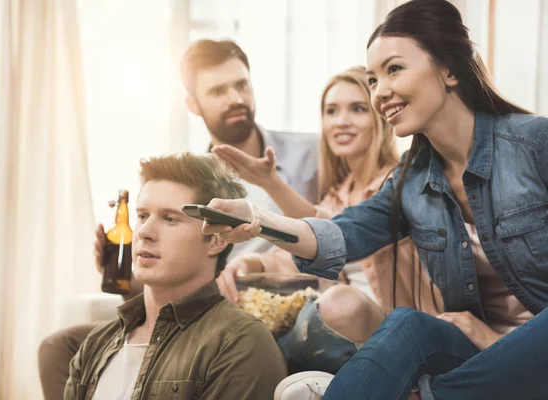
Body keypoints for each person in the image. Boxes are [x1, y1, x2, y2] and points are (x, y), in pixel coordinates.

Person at [203, 1, 548, 399]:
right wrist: (257, 217)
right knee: (407, 325)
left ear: (450, 69)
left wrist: (493, 341)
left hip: (526, 346)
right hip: (476, 356)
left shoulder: (533, 144)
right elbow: (340, 234)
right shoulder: (410, 183)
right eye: (372, 79)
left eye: (394, 69)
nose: (380, 92)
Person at [38, 39, 318, 400]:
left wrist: (258, 261)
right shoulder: (191, 181)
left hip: (277, 305)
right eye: (218, 90)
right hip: (204, 294)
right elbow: (181, 272)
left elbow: (334, 235)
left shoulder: (312, 156)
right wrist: (124, 270)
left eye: (241, 85)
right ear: (192, 103)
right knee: (62, 346)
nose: (235, 98)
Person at [212, 66, 442, 376]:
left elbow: (334, 233)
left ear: (381, 116)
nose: (341, 121)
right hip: (344, 333)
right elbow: (300, 250)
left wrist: (271, 184)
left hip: (397, 328)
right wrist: (248, 264)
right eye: (331, 111)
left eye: (358, 109)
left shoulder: (402, 183)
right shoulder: (337, 193)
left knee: (337, 303)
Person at [64, 153, 287, 400]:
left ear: (216, 239)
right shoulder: (96, 344)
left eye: (169, 219)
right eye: (142, 216)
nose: (144, 232)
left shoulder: (240, 343)